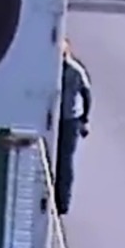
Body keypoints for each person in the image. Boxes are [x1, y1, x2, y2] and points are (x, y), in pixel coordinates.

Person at [55, 42, 92, 215]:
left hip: (70, 119)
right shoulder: (52, 69)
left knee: (65, 160)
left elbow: (86, 94)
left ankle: (63, 201)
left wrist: (85, 119)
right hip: (54, 118)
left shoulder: (75, 71)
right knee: (54, 157)